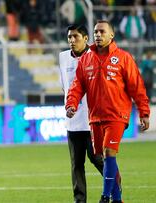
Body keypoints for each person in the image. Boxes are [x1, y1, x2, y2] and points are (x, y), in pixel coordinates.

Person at [66, 20, 150, 203]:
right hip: (95, 117)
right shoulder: (86, 59)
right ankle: (118, 199)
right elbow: (77, 86)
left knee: (108, 152)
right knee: (103, 155)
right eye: (96, 32)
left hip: (117, 115)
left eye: (102, 32)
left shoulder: (123, 58)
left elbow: (137, 87)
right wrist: (71, 103)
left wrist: (144, 112)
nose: (98, 35)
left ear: (111, 35)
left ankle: (105, 196)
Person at [58, 24, 104, 203]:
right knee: (76, 164)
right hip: (73, 121)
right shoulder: (63, 57)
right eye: (69, 37)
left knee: (97, 159)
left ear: (86, 39)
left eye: (75, 37)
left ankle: (114, 188)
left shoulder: (96, 56)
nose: (71, 40)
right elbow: (65, 86)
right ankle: (79, 200)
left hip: (93, 120)